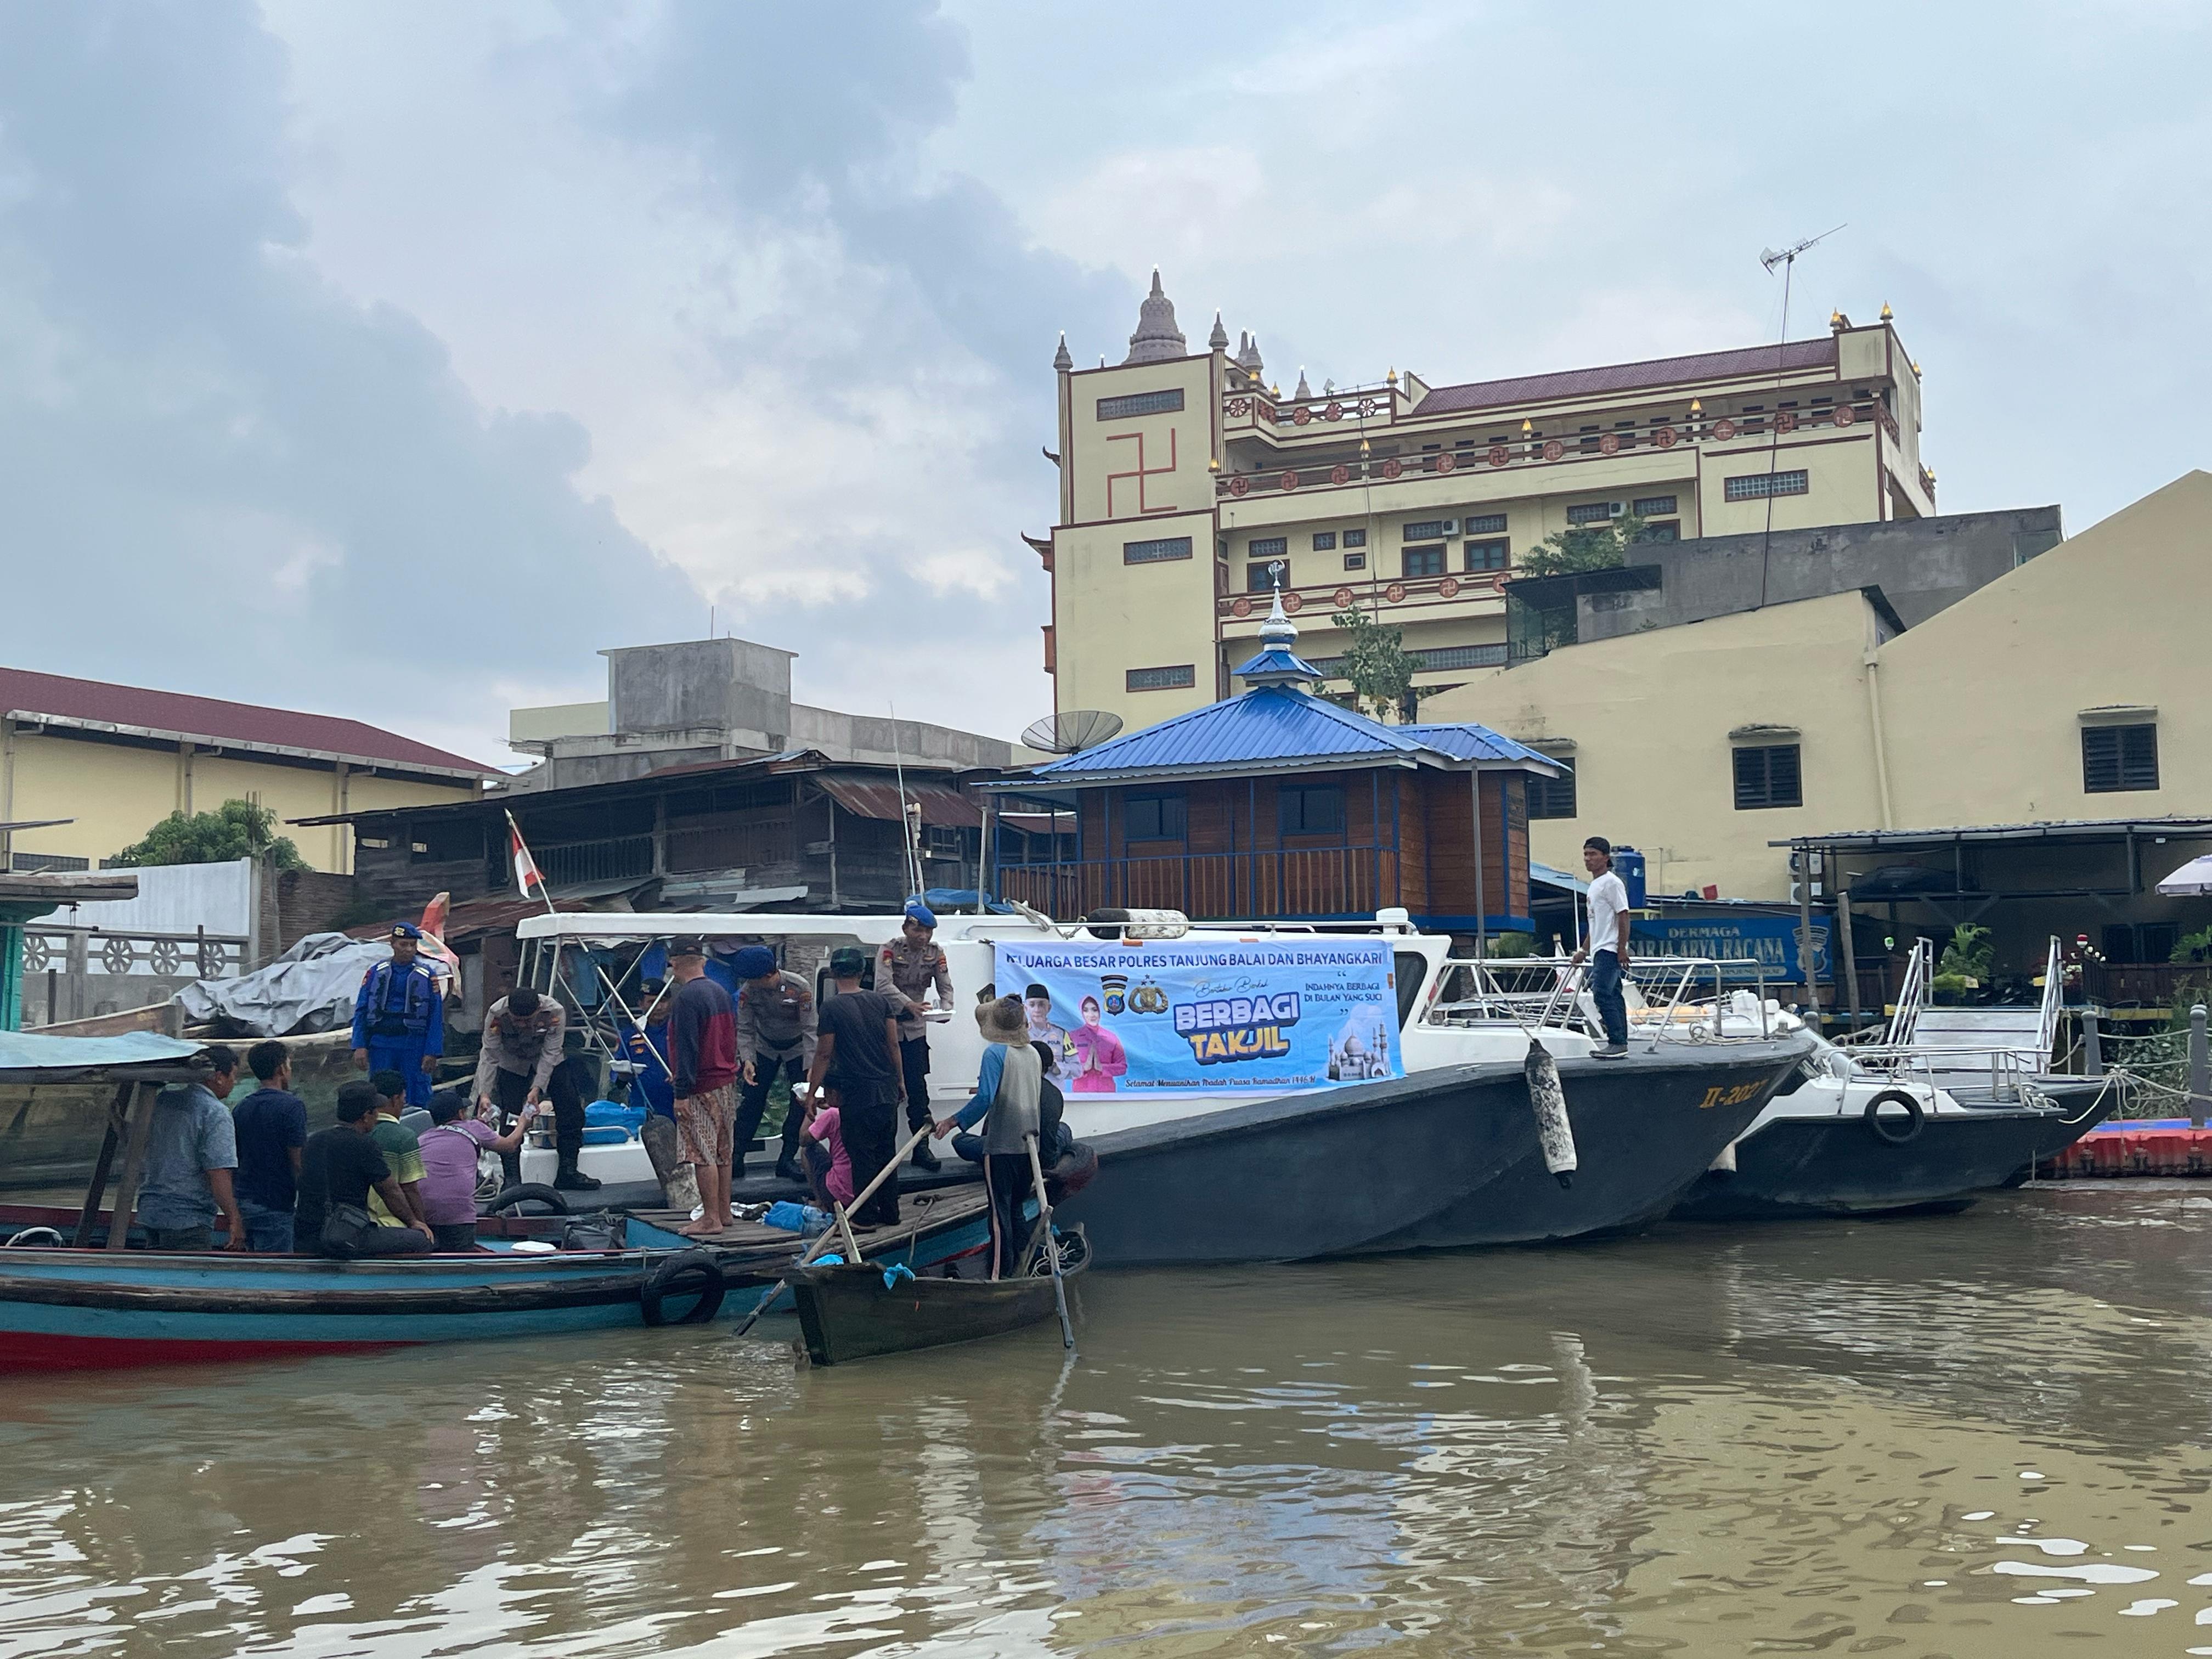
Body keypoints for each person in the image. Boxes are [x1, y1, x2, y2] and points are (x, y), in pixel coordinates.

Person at [932, 996, 1042, 1280]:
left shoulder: (995, 1054)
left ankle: (999, 1275)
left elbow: (984, 1099)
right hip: (1030, 1147)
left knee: (998, 1215)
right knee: (1017, 1210)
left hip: (1003, 1146)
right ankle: (1021, 1267)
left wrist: (952, 1122)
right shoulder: (1033, 1054)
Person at [803, 946, 906, 1228]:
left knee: (861, 1156)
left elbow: (824, 1054)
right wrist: (900, 1080)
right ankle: (891, 1213)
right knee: (886, 1152)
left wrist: (812, 1093)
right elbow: (893, 1045)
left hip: (857, 1092)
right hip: (886, 1088)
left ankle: (865, 1216)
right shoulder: (881, 1002)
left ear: (833, 973)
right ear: (863, 973)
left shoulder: (831, 1007)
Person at [474, 985, 596, 1190]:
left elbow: (551, 1052)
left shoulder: (554, 1011)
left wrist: (537, 1088)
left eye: (527, 1020)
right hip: (512, 1064)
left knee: (571, 1111)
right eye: (517, 1021)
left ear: (538, 1009)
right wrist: (484, 1093)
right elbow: (489, 1054)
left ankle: (568, 1172)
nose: (522, 1025)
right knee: (511, 1117)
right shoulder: (497, 1013)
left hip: (550, 1062)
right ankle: (512, 1179)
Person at [295, 1081, 433, 1257]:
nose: (377, 1116)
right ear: (366, 1115)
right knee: (421, 1240)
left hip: (306, 1235)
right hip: (347, 1235)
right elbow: (390, 1191)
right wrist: (413, 1221)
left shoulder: (314, 1141)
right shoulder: (365, 1145)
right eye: (375, 1111)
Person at [138, 1046, 248, 1251]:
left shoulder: (163, 1101)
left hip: (151, 1211)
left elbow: (140, 1144)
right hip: (188, 1216)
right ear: (219, 1077)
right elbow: (218, 1173)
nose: (234, 1083)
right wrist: (234, 1218)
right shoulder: (215, 1113)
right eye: (233, 1076)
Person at [668, 938, 741, 1238]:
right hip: (725, 1080)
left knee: (701, 1152)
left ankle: (710, 1218)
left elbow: (688, 1047)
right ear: (703, 961)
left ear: (674, 963)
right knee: (724, 1150)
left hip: (701, 1084)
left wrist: (681, 1092)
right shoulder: (719, 991)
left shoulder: (687, 997)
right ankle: (724, 1211)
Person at [875, 900, 953, 1171]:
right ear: (906, 929)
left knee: (918, 1093)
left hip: (916, 1031)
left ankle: (922, 1148)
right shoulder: (889, 950)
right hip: (888, 1029)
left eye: (928, 931)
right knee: (887, 1093)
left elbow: (945, 985)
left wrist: (947, 1009)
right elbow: (882, 985)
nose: (924, 937)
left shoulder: (936, 953)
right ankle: (885, 1152)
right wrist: (908, 1004)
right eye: (919, 931)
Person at [730, 943, 816, 1182]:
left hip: (797, 1047)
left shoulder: (799, 987)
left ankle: (787, 1158)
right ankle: (736, 1156)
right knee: (752, 1101)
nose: (749, 983)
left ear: (769, 974)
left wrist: (812, 1066)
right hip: (765, 1047)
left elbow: (811, 1028)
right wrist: (747, 1059)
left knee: (799, 1102)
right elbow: (745, 1028)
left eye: (753, 979)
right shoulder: (748, 992)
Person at [417, 1088, 538, 1250]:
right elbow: (510, 1145)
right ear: (461, 1114)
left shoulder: (423, 1138)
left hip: (423, 1214)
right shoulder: (474, 1127)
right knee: (461, 1257)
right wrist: (523, 1122)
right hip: (459, 1217)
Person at [350, 922, 444, 1108]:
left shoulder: (428, 975)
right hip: (381, 1044)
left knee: (418, 1095)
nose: (408, 949)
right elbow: (362, 1010)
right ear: (392, 943)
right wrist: (359, 1045)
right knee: (380, 1094)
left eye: (412, 945)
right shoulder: (375, 972)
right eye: (403, 944)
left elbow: (436, 1015)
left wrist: (432, 1051)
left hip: (414, 1045)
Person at [231, 1041, 308, 1252]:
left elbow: (235, 1157)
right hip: (275, 1202)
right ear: (281, 1069)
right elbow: (298, 1160)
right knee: (276, 1266)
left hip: (245, 1200)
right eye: (289, 1065)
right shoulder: (292, 1106)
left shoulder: (242, 1107)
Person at [951, 1041, 1069, 1167]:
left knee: (959, 1140)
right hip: (1046, 1159)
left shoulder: (1011, 1087)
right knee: (1064, 1128)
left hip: (1012, 1154)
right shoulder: (1055, 1093)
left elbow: (989, 1128)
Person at [1571, 835, 1633, 1058]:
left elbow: (1623, 915)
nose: (1588, 859)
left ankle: (1617, 1041)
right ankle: (1620, 1041)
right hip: (1599, 949)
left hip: (1609, 948)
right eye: (1586, 855)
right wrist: (1584, 951)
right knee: (1613, 994)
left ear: (1606, 857)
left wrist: (1621, 948)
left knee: (1602, 994)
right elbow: (1595, 924)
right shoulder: (1594, 886)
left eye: (1593, 854)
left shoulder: (1612, 883)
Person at [365, 1070, 432, 1231]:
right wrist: (422, 1225)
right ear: (395, 1099)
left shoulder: (357, 1132)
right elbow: (410, 1189)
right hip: (391, 1224)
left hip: (356, 1223)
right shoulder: (404, 1137)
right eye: (403, 1098)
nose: (404, 1103)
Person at [620, 979, 676, 1123]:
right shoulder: (631, 1034)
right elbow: (619, 1081)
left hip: (676, 1104)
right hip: (642, 1108)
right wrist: (623, 1075)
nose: (659, 1007)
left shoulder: (679, 1030)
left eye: (663, 1001)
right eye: (652, 1002)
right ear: (641, 1004)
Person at [798, 1082, 853, 1213]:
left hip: (838, 1193)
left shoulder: (833, 1115)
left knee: (807, 1150)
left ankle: (821, 1202)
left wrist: (810, 1108)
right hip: (865, 1192)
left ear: (833, 1093)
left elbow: (804, 1140)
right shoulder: (862, 1110)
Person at [1069, 995, 1128, 1093]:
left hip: (1106, 1093)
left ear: (1099, 1012)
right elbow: (1064, 1067)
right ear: (1082, 1013)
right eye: (1086, 1011)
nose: (1091, 1015)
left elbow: (1122, 1067)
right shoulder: (1073, 1037)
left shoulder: (1111, 1038)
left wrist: (1102, 1068)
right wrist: (1084, 1068)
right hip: (1081, 1093)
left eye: (1094, 1010)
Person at [1023, 982, 1068, 1075]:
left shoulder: (1062, 1034)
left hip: (1053, 1083)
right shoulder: (1019, 1035)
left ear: (1049, 1008)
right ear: (1026, 1008)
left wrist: (1059, 1068)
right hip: (1027, 1083)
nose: (1037, 1010)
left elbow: (1077, 1067)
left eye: (1041, 1005)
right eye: (1032, 1005)